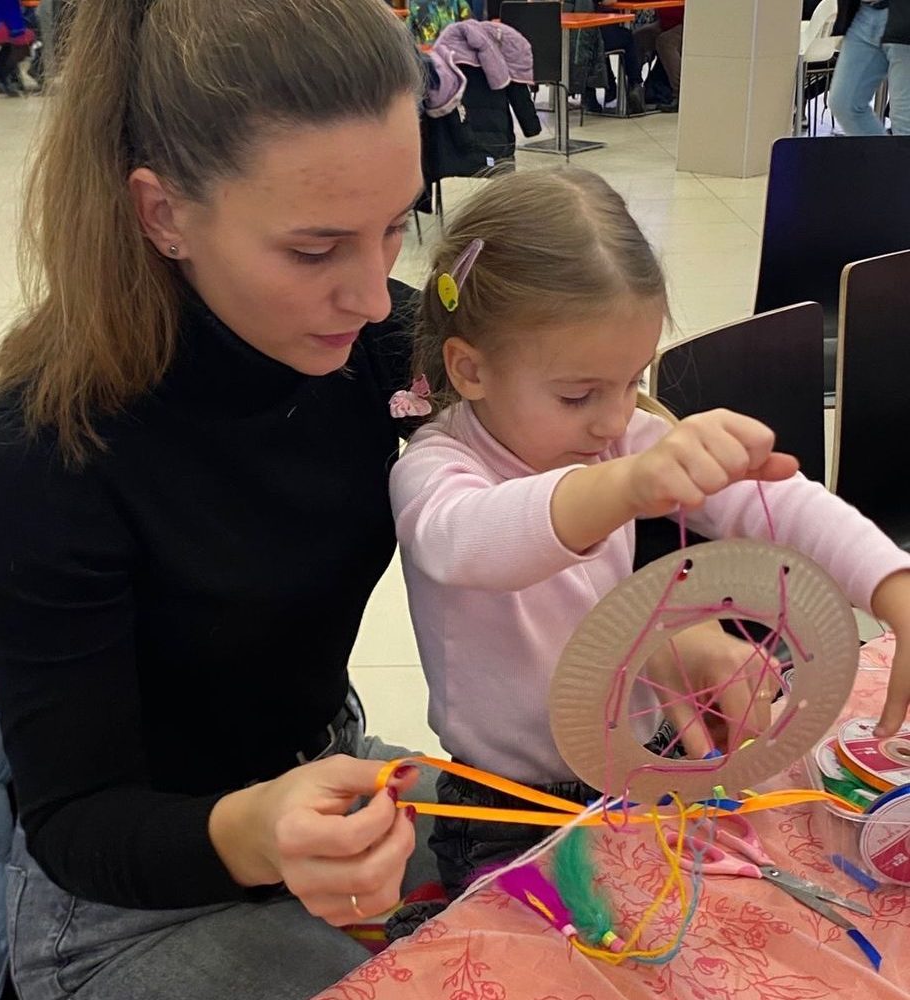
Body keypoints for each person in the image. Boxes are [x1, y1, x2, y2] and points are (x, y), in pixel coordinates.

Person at [0, 1, 436, 998]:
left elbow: (558, 451)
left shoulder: (378, 345)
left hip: (325, 780)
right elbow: (80, 822)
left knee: (611, 872)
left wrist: (651, 620)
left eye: (395, 226)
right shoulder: (42, 455)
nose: (372, 293)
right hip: (123, 906)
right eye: (314, 250)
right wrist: (261, 831)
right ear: (163, 214)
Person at [388, 167, 910, 900]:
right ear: (470, 369)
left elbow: (779, 501)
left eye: (631, 380)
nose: (613, 419)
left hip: (645, 759)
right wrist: (629, 483)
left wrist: (892, 585)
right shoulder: (436, 468)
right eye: (579, 395)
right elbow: (469, 543)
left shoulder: (616, 438)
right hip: (509, 807)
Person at [831, 0, 910, 136]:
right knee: (844, 104)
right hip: (865, 14)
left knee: (904, 123)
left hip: (904, 18)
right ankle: (884, 151)